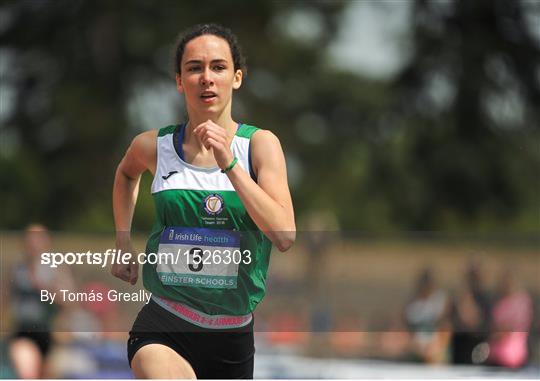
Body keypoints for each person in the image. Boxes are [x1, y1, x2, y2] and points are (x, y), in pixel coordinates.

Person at [111, 23, 296, 379]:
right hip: (165, 323)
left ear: (237, 78)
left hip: (233, 336)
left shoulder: (260, 146)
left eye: (218, 67)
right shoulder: (153, 146)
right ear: (180, 81)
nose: (206, 78)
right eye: (194, 68)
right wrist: (122, 240)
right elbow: (125, 174)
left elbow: (285, 236)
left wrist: (229, 163)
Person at [8, 224, 74, 379]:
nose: (33, 243)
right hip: (24, 331)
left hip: (50, 332)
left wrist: (42, 285)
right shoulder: (18, 269)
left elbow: (69, 301)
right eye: (29, 239)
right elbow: (7, 300)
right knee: (26, 372)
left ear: (47, 242)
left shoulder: (57, 268)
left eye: (37, 239)